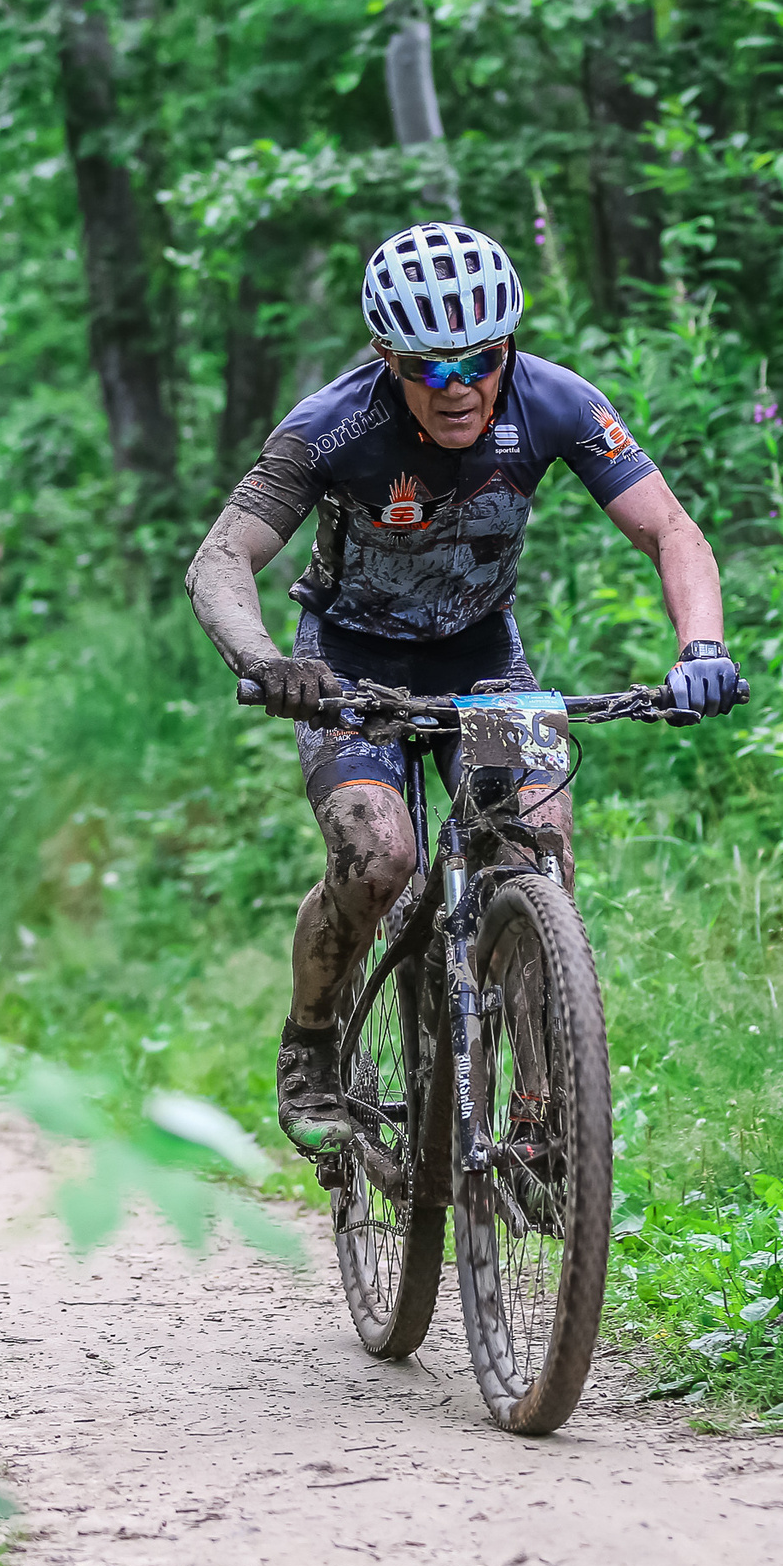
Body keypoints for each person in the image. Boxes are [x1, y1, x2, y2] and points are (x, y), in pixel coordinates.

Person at [185, 221, 744, 1154]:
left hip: (481, 656)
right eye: (431, 367)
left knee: (541, 839)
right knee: (379, 856)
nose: (460, 386)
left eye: (481, 360)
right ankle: (312, 1041)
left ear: (507, 347)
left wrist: (703, 647)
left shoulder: (556, 400)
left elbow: (670, 531)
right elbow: (221, 557)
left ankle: (542, 1106)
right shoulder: (334, 424)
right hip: (348, 664)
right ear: (388, 358)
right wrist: (265, 662)